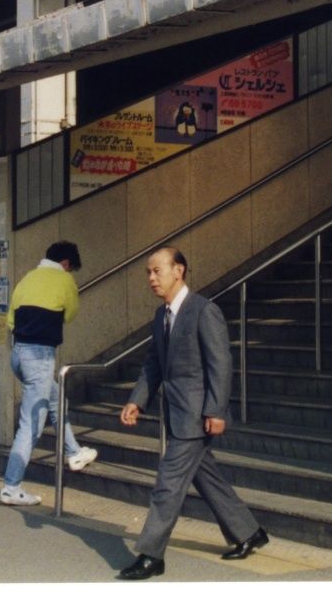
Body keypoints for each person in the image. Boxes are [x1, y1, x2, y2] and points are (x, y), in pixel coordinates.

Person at [115, 246, 267, 580]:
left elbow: (220, 364)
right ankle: (248, 532)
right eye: (148, 273)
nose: (151, 278)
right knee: (206, 476)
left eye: (157, 271)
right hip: (178, 413)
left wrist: (216, 410)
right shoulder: (161, 316)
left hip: (197, 415)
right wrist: (137, 401)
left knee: (167, 485)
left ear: (179, 270)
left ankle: (151, 554)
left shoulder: (203, 311)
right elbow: (154, 363)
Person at [0, 240, 98, 506]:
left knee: (56, 400)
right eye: (71, 268)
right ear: (66, 264)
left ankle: (74, 452)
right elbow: (70, 314)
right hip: (40, 357)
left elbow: (10, 320)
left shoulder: (27, 278)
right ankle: (11, 486)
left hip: (18, 354)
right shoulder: (64, 281)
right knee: (30, 425)